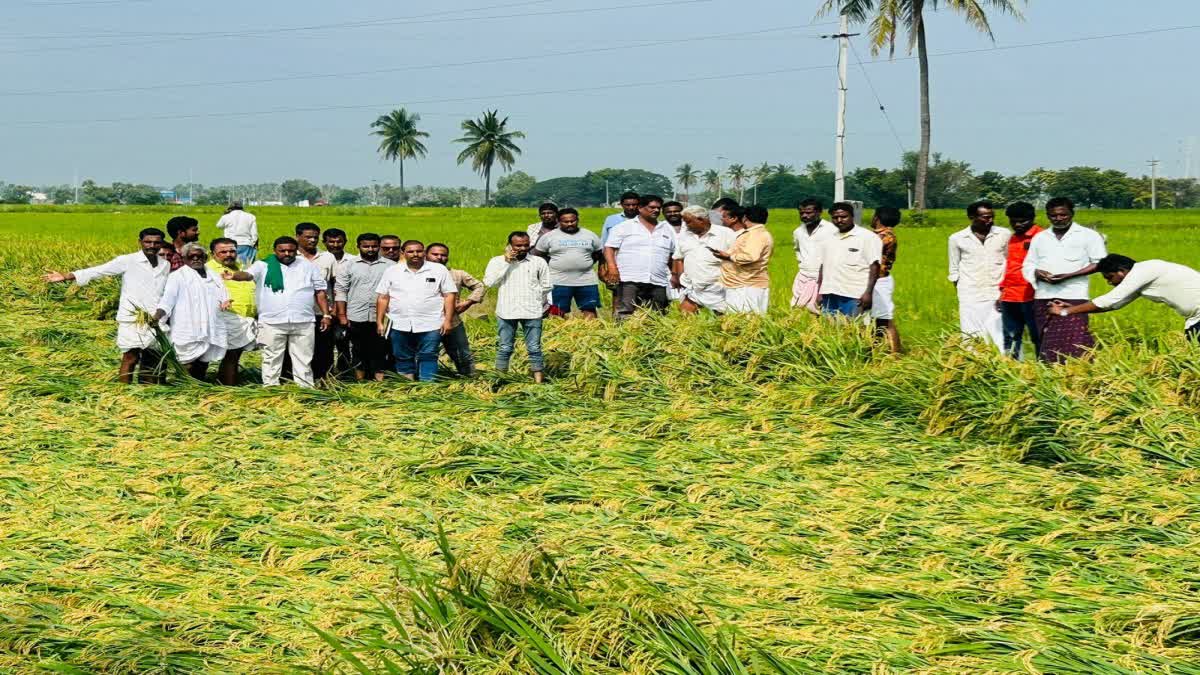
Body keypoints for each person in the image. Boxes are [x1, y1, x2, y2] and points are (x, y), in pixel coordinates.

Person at [42, 227, 170, 384]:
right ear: (140, 242)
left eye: (156, 243)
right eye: (147, 242)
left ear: (162, 244)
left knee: (153, 357)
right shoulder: (128, 260)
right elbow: (100, 270)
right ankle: (123, 392)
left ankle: (146, 392)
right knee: (131, 356)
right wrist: (66, 276)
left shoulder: (165, 265)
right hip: (132, 318)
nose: (152, 245)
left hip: (155, 318)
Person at [1022, 197, 1107, 363]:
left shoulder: (1088, 236)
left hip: (1073, 295)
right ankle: (1050, 378)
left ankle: (1078, 374)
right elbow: (1028, 265)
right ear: (1048, 216)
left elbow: (1100, 263)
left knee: (1075, 341)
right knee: (1046, 341)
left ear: (1072, 214)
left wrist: (1069, 276)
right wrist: (1038, 273)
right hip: (1043, 296)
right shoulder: (1040, 238)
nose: (1058, 219)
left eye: (1063, 215)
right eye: (1053, 216)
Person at [240, 236, 332, 388]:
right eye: (282, 251)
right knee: (271, 357)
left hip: (303, 321)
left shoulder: (307, 266)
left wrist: (326, 314)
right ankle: (271, 388)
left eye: (291, 250)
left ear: (296, 251)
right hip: (272, 322)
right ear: (275, 251)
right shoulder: (263, 265)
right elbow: (247, 275)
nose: (287, 253)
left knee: (303, 358)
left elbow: (320, 291)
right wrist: (235, 276)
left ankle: (305, 388)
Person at [1051, 254, 1200, 341]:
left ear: (1121, 271)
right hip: (1195, 319)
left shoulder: (1143, 271)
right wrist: (1071, 307)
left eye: (1109, 277)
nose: (1109, 282)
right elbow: (1114, 305)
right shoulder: (1141, 277)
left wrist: (1065, 312)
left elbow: (1108, 300)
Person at [374, 240, 457, 382]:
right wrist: (379, 322)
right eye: (411, 251)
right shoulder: (392, 271)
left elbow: (449, 295)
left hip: (431, 322)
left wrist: (448, 321)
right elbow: (383, 297)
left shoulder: (438, 270)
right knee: (402, 355)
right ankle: (406, 383)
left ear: (424, 252)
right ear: (403, 253)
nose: (415, 254)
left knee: (429, 354)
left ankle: (427, 385)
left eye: (419, 251)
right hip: (399, 322)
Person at [151, 243, 230, 379]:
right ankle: (184, 390)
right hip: (188, 327)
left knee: (204, 362)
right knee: (187, 363)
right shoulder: (178, 276)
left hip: (211, 326)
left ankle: (198, 389)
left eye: (199, 256)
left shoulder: (214, 276)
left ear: (205, 258)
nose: (196, 259)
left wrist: (225, 301)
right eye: (191, 256)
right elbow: (167, 300)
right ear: (184, 259)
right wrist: (157, 316)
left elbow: (223, 294)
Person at [484, 232, 552, 383]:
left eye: (526, 245)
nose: (523, 248)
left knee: (534, 348)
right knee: (505, 348)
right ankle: (499, 380)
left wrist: (542, 303)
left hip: (533, 311)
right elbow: (490, 283)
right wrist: (507, 262)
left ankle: (539, 382)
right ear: (509, 245)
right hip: (506, 311)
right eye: (518, 245)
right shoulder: (497, 261)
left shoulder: (538, 262)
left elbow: (547, 285)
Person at [948, 200, 1010, 348]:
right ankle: (973, 365)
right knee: (971, 334)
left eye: (991, 216)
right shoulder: (957, 238)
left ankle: (1006, 365)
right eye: (985, 217)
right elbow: (954, 268)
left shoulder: (1004, 234)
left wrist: (1005, 291)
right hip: (970, 293)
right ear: (971, 217)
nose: (990, 220)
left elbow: (1010, 263)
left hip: (997, 292)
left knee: (1000, 333)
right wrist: (962, 289)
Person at [602, 194, 675, 319]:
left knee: (658, 314)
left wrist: (675, 275)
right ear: (640, 208)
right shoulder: (624, 227)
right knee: (625, 312)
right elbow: (609, 247)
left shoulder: (667, 229)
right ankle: (623, 337)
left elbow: (673, 254)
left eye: (658, 208)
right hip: (629, 278)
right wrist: (612, 268)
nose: (656, 210)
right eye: (652, 207)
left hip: (658, 279)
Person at [334, 233, 395, 381]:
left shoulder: (391, 266)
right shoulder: (349, 265)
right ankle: (360, 381)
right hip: (356, 314)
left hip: (383, 316)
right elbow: (341, 290)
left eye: (374, 246)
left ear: (379, 246)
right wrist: (342, 315)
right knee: (358, 349)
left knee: (380, 349)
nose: (370, 249)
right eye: (366, 246)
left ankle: (379, 381)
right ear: (358, 246)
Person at [425, 242, 485, 377]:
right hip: (426, 323)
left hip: (453, 321)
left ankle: (470, 380)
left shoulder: (457, 274)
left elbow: (479, 286)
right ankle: (426, 380)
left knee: (462, 354)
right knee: (426, 354)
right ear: (425, 255)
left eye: (443, 255)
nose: (439, 257)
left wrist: (468, 302)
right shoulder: (417, 274)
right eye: (435, 254)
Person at [534, 207, 603, 318]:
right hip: (558, 281)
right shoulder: (549, 237)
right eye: (566, 222)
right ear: (559, 221)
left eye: (573, 221)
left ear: (577, 220)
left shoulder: (589, 235)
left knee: (589, 309)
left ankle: (591, 333)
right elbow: (538, 256)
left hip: (586, 280)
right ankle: (560, 333)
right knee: (558, 311)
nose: (570, 224)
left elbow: (599, 253)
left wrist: (586, 263)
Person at [207, 237, 258, 385]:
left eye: (232, 251)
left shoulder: (240, 268)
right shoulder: (208, 270)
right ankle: (228, 386)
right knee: (229, 355)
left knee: (234, 355)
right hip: (226, 317)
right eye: (223, 252)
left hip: (244, 318)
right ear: (213, 254)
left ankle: (223, 383)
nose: (228, 254)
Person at [817, 202, 881, 317]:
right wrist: (819, 291)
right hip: (829, 293)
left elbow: (874, 266)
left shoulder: (867, 237)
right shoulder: (828, 238)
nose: (839, 220)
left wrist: (869, 293)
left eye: (844, 216)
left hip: (854, 294)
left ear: (852, 216)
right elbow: (823, 265)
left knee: (855, 330)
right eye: (835, 218)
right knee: (829, 330)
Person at [998, 201, 1043, 360]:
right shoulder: (1011, 239)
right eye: (1013, 221)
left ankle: (1043, 369)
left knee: (1038, 336)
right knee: (1011, 336)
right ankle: (1012, 369)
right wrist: (1002, 292)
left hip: (1033, 296)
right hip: (1010, 296)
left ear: (1032, 218)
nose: (1017, 224)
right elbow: (1009, 266)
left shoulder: (1043, 237)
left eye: (1022, 221)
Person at [672, 204, 736, 314]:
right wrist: (679, 276)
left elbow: (737, 257)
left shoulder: (726, 234)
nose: (686, 226)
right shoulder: (685, 236)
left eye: (688, 222)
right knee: (685, 318)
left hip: (717, 287)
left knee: (723, 321)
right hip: (692, 287)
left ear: (701, 220)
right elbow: (678, 257)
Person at [711, 205, 773, 314]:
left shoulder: (756, 234)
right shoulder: (755, 233)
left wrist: (728, 256)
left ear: (745, 218)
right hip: (742, 284)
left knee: (744, 322)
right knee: (742, 321)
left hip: (746, 286)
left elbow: (750, 256)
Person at [295, 222, 337, 379]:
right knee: (298, 348)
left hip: (322, 311)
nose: (312, 240)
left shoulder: (327, 257)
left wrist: (335, 308)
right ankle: (295, 378)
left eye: (315, 237)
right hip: (298, 312)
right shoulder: (291, 256)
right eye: (308, 237)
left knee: (323, 348)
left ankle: (324, 379)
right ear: (297, 237)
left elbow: (335, 283)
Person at [322, 227, 357, 377]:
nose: (335, 245)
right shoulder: (321, 259)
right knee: (325, 343)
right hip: (324, 307)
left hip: (347, 307)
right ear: (324, 242)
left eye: (339, 241)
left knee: (345, 342)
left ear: (345, 242)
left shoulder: (354, 260)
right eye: (331, 242)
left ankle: (346, 371)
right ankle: (326, 372)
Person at [791, 198, 835, 313]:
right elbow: (798, 250)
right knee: (799, 310)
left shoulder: (831, 230)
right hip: (803, 276)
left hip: (824, 278)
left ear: (819, 212)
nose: (804, 215)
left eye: (809, 212)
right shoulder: (798, 232)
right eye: (801, 213)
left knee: (822, 311)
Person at [871, 207, 902, 353]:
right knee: (876, 319)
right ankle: (876, 349)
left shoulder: (885, 236)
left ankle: (896, 354)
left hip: (879, 281)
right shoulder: (880, 235)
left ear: (877, 218)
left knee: (884, 318)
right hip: (874, 280)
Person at [215, 200, 258, 266]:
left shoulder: (226, 216)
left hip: (229, 244)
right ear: (242, 207)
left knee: (230, 265)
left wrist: (225, 215)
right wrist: (253, 243)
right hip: (245, 243)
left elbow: (219, 226)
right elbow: (254, 233)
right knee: (244, 266)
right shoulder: (251, 216)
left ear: (231, 207)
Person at [661, 201, 685, 302]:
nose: (673, 214)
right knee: (670, 297)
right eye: (669, 212)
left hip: (688, 266)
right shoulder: (660, 228)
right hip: (667, 268)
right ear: (663, 213)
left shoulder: (690, 226)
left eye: (676, 211)